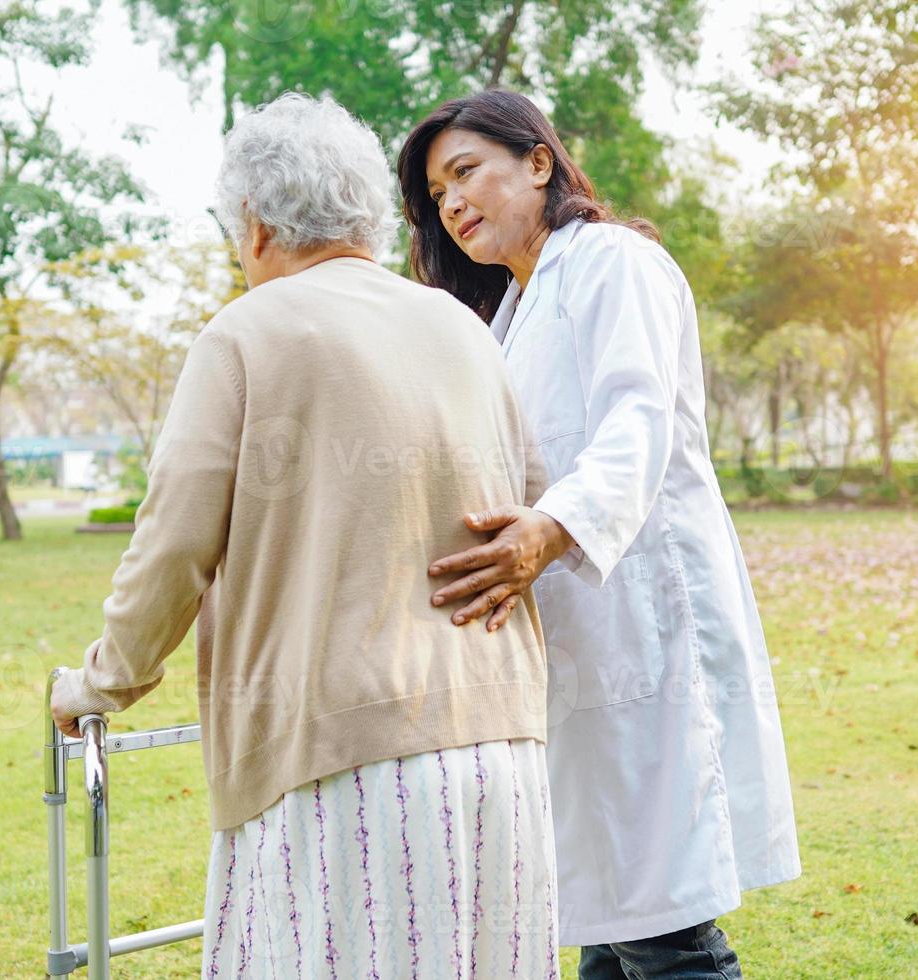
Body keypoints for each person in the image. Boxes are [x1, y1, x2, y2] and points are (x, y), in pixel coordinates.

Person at [50, 92, 559, 979]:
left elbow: (173, 542)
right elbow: (530, 505)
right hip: (499, 752)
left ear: (253, 226)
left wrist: (100, 684)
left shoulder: (246, 334)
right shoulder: (462, 328)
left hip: (344, 766)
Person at [397, 89, 801, 979]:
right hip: (572, 637)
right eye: (435, 195)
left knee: (658, 921)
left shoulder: (614, 262)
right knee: (610, 908)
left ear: (538, 162)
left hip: (644, 622)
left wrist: (551, 528)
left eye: (465, 172)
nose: (451, 204)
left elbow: (638, 421)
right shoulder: (507, 316)